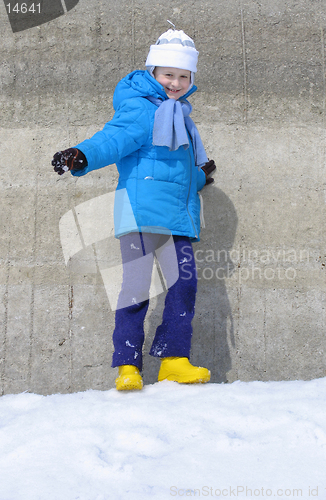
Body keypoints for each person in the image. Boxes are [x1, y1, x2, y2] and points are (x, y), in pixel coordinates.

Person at [52, 26, 216, 391]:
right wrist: (81, 156)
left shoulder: (181, 118)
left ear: (191, 79)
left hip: (176, 217)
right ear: (153, 73)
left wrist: (201, 177)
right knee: (136, 287)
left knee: (184, 284)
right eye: (169, 74)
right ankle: (128, 366)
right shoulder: (142, 110)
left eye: (183, 76)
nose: (175, 82)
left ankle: (174, 359)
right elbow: (112, 140)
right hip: (138, 213)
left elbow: (177, 174)